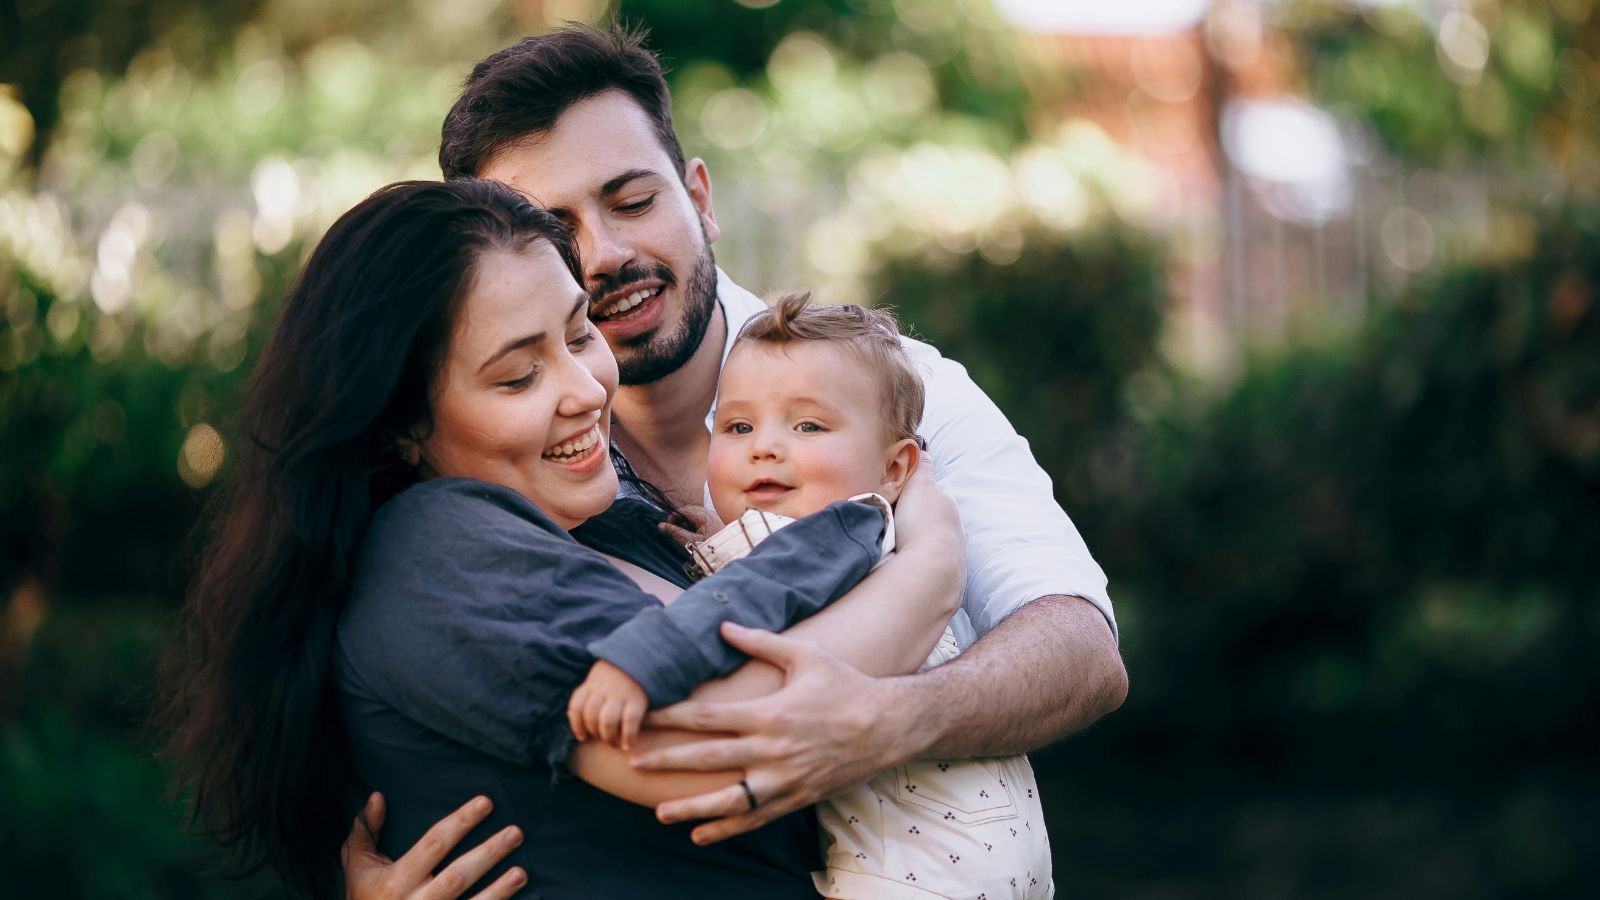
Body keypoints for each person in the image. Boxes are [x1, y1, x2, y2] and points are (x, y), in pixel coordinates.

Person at [348, 21, 1128, 897]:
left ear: (701, 198)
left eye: (632, 201)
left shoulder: (887, 386)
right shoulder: (517, 469)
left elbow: (1080, 649)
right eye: (558, 231)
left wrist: (884, 720)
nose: (605, 255)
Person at [162, 177, 969, 898]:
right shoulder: (436, 548)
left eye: (580, 335)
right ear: (403, 422)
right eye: (518, 376)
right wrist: (930, 567)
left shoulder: (610, 517)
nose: (586, 390)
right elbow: (729, 748)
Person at [572, 292, 1055, 899]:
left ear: (897, 467)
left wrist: (643, 660)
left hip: (916, 862)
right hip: (981, 841)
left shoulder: (848, 525)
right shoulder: (862, 539)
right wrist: (722, 538)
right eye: (738, 426)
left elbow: (755, 592)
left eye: (808, 425)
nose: (764, 446)